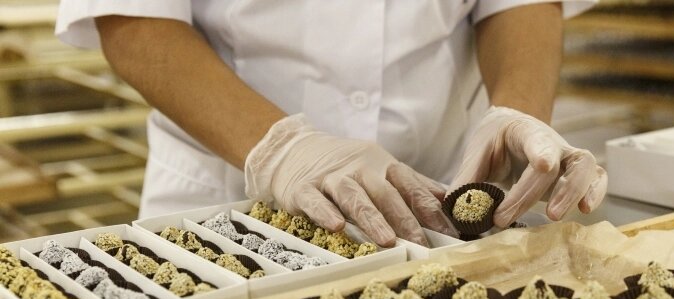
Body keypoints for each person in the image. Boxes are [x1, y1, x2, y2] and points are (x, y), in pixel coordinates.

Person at [56, 1, 607, 248]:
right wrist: (280, 150)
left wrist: (518, 112)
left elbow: (522, 3)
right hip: (227, 209)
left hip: (436, 204)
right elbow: (133, 19)